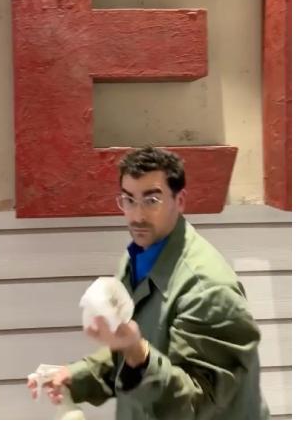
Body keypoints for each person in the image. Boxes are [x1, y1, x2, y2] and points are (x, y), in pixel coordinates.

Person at [28, 147, 269, 418]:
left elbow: (199, 402)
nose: (137, 216)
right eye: (128, 200)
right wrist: (76, 375)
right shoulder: (137, 258)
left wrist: (137, 352)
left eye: (151, 200)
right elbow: (130, 350)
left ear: (180, 200)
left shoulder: (207, 290)